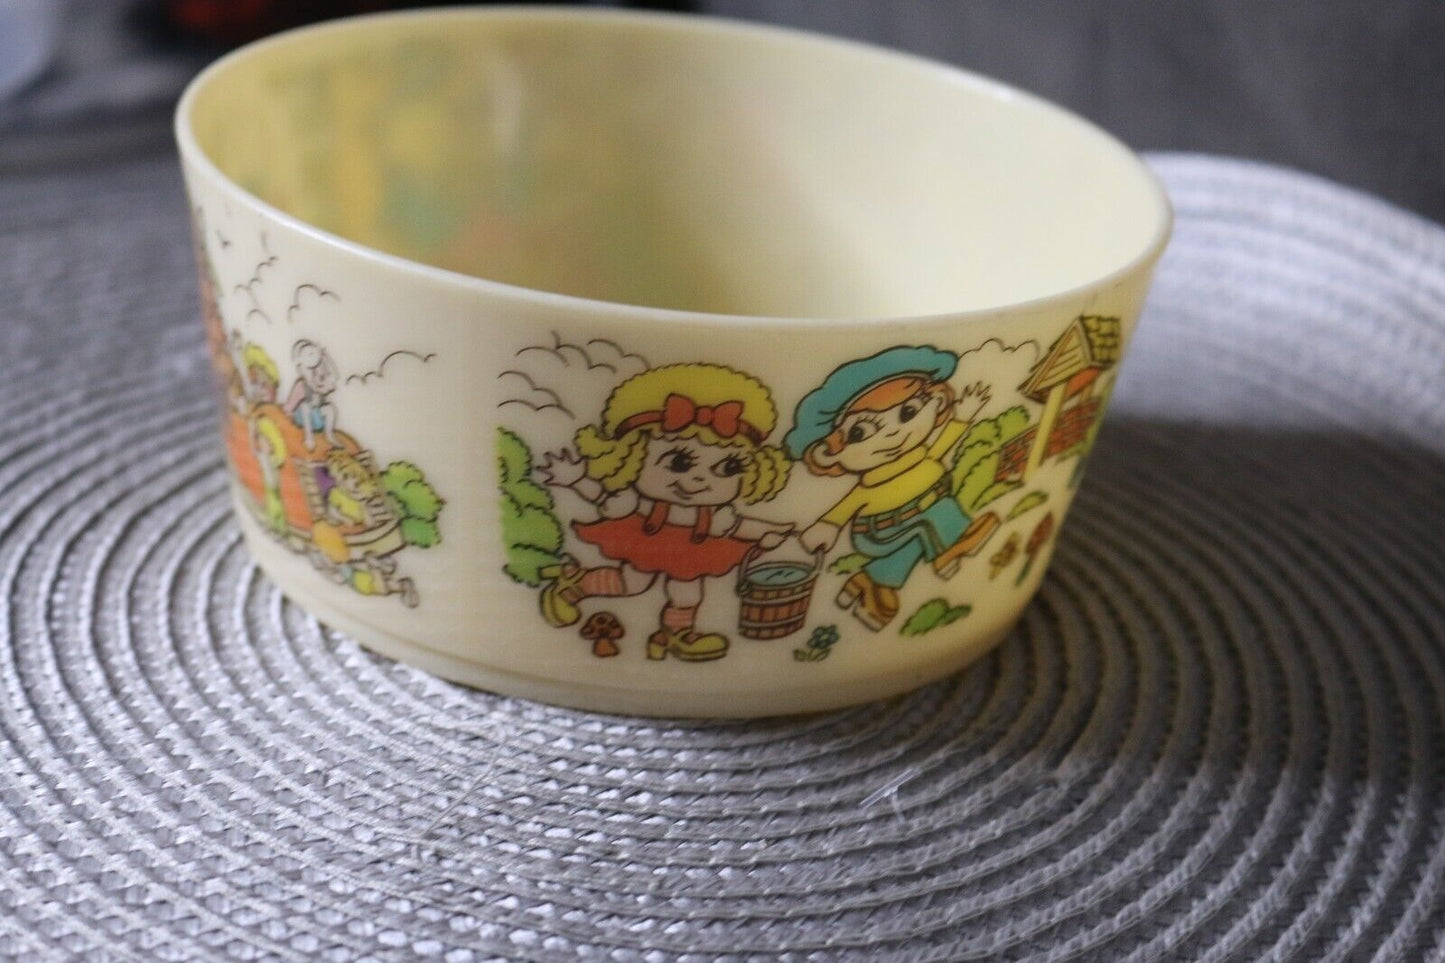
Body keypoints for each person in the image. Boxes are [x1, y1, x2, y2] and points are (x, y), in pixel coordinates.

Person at [536, 364, 793, 662]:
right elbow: (605, 500)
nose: (700, 480)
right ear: (632, 456)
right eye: (680, 463)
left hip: (692, 553)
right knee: (631, 584)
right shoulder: (642, 503)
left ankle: (676, 634)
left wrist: (772, 531)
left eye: (728, 468)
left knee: (688, 594)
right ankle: (573, 586)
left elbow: (737, 525)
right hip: (647, 543)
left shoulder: (715, 516)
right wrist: (576, 479)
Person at [786, 346, 1000, 630]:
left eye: (908, 412)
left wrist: (963, 415)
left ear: (935, 402)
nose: (893, 433)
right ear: (829, 454)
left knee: (913, 542)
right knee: (931, 519)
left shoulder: (921, 457)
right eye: (860, 433)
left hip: (913, 521)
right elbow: (845, 507)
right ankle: (950, 549)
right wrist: (827, 527)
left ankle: (868, 583)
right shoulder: (868, 487)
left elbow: (942, 445)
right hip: (878, 531)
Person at [283, 339, 339, 450]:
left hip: (317, 416)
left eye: (314, 353)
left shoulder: (319, 380)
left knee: (329, 409)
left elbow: (334, 377)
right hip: (303, 419)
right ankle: (309, 438)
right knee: (304, 406)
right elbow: (291, 404)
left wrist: (325, 356)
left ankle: (329, 435)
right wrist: (287, 413)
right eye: (310, 354)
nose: (314, 356)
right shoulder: (301, 384)